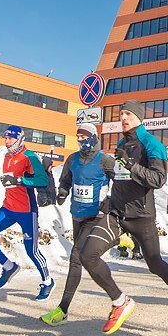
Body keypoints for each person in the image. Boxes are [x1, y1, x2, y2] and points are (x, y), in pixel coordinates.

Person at [67, 101, 168, 334]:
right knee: (87, 255)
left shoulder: (152, 144)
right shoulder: (122, 143)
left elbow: (158, 180)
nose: (123, 117)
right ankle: (120, 301)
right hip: (116, 212)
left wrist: (132, 166)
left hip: (141, 215)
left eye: (128, 114)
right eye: (121, 114)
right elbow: (119, 176)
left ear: (139, 117)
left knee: (154, 264)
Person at [40, 123, 116, 325]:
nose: (81, 140)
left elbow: (122, 182)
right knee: (83, 259)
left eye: (84, 137)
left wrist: (110, 199)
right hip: (77, 215)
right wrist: (63, 192)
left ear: (93, 137)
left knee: (76, 257)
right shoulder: (72, 159)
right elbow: (65, 180)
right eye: (78, 137)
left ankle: (63, 309)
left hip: (96, 216)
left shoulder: (105, 160)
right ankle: (118, 297)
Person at [0, 126, 55, 301]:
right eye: (5, 138)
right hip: (8, 208)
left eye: (10, 139)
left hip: (27, 211)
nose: (7, 142)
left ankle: (47, 281)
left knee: (31, 251)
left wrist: (19, 180)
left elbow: (41, 180)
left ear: (20, 139)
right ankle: (9, 267)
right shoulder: (7, 156)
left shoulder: (30, 156)